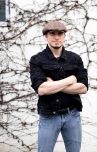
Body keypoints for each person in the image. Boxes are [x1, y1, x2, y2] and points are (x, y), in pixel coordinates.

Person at [29, 20, 88, 152]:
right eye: (52, 33)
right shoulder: (37, 60)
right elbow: (42, 89)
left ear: (64, 36)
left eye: (60, 33)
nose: (56, 37)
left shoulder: (75, 59)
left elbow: (83, 88)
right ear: (46, 36)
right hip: (49, 115)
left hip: (72, 114)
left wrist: (53, 84)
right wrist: (70, 80)